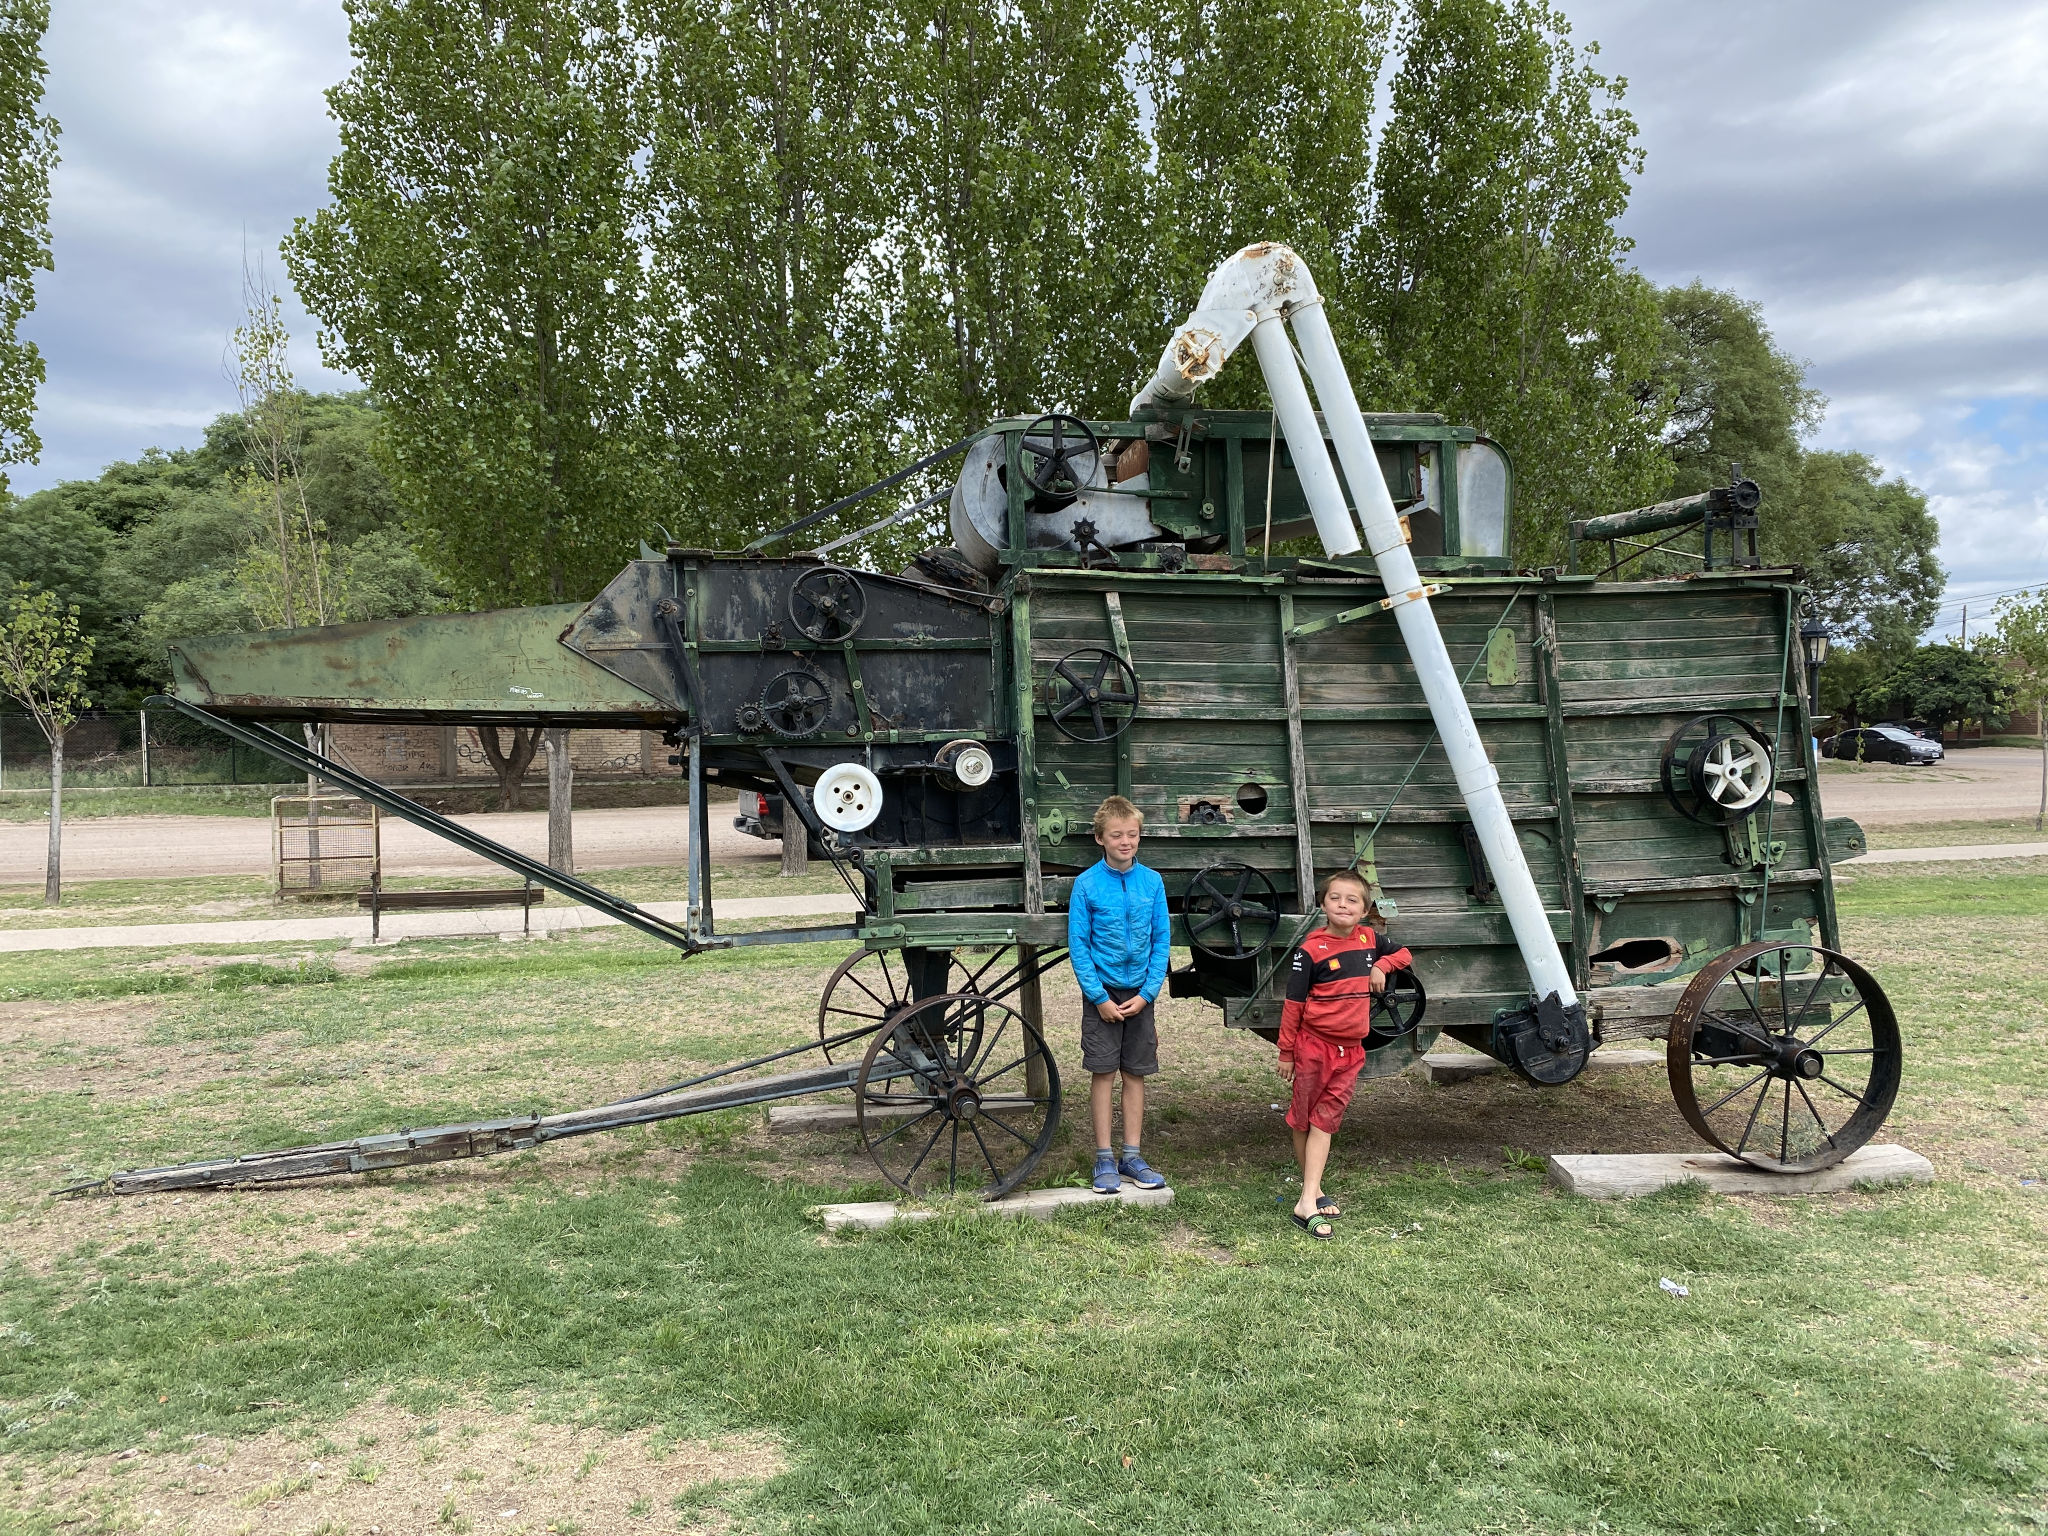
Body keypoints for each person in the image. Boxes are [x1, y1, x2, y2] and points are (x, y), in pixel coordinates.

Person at [1277, 869, 1411, 1237]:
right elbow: (1293, 1005)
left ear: (1365, 909)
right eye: (1335, 897)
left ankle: (1307, 1197)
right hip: (1312, 1047)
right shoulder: (1310, 950)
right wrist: (1286, 1052)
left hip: (1350, 1051)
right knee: (1304, 1118)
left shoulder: (1370, 939)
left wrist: (1382, 965)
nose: (1343, 905)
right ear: (1323, 903)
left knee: (1325, 1120)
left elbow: (1403, 953)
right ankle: (1313, 1193)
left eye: (1353, 900)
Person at [1067, 795, 1170, 1194]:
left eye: (1132, 835)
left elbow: (1162, 941)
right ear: (1100, 839)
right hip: (1104, 995)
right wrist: (1099, 998)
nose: (1125, 842)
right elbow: (1079, 945)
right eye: (1117, 835)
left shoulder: (1153, 882)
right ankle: (1104, 1158)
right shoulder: (1087, 885)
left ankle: (1133, 1155)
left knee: (1136, 1073)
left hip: (1140, 995)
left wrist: (1147, 994)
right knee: (1104, 1072)